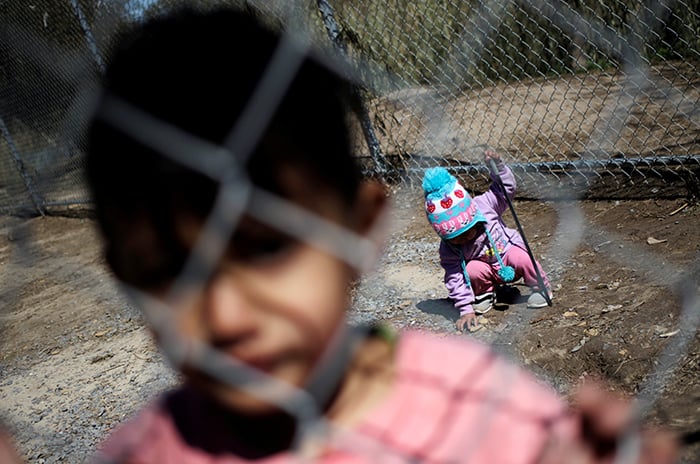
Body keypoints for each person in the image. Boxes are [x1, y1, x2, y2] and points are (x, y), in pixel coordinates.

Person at [77, 6, 677, 464]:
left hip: (506, 260)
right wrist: (466, 305)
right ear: (123, 274)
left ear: (360, 231)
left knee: (516, 255)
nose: (226, 316)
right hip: (477, 274)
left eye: (268, 247)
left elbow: (505, 195)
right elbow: (451, 277)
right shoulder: (144, 451)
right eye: (168, 272)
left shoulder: (484, 405)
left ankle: (529, 281)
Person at [422, 152, 553, 332]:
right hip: (484, 269)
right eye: (456, 237)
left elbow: (505, 190)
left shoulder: (483, 205)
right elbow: (455, 276)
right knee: (470, 270)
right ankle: (484, 293)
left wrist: (498, 168)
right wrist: (465, 309)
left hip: (507, 257)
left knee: (522, 258)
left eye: (468, 231)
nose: (464, 238)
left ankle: (541, 287)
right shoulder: (448, 247)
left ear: (474, 216)